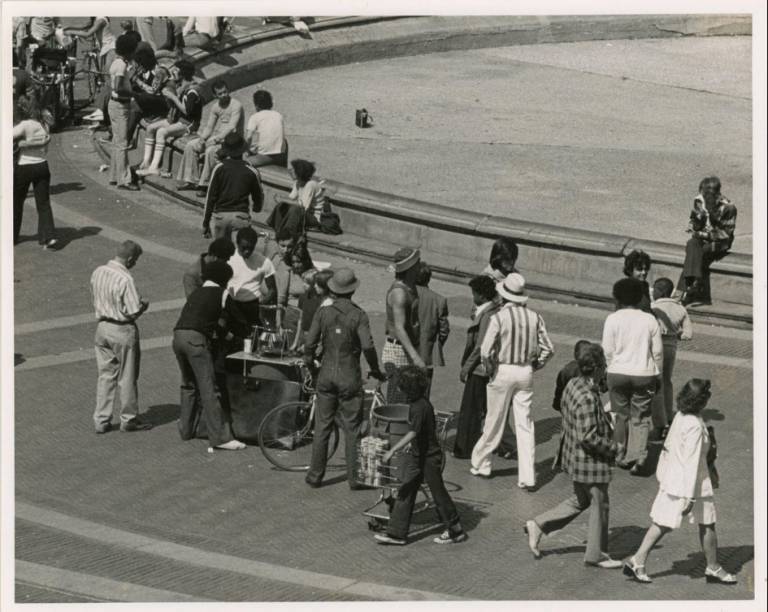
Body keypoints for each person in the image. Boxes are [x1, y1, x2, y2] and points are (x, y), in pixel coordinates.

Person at [623, 379, 737, 585]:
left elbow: (668, 448)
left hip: (675, 479)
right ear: (700, 401)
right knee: (702, 523)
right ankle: (711, 567)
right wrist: (689, 496)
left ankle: (639, 559)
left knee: (666, 521)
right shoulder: (693, 424)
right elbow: (691, 461)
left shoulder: (680, 416)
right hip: (691, 483)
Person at [525, 344, 624, 568]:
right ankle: (596, 554)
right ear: (598, 368)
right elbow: (588, 437)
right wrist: (614, 448)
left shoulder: (573, 385)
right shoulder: (588, 396)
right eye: (604, 366)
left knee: (581, 500)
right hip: (588, 462)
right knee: (600, 503)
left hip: (572, 457)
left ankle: (539, 524)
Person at [303, 268, 385, 488]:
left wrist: (310, 364)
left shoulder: (323, 313)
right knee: (352, 428)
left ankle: (315, 475)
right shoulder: (359, 315)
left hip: (326, 374)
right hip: (349, 376)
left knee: (322, 427)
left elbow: (309, 344)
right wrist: (375, 369)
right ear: (352, 291)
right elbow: (367, 345)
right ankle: (354, 478)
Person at [471, 273, 554, 487]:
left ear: (503, 295)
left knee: (494, 419)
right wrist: (535, 365)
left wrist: (491, 369)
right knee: (524, 423)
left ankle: (482, 463)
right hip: (525, 372)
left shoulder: (499, 317)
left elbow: (486, 350)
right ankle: (527, 476)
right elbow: (548, 348)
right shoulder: (534, 317)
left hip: (503, 370)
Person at [375, 365, 467, 545]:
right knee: (407, 489)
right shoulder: (421, 403)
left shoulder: (418, 407)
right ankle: (397, 533)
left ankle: (454, 528)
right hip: (421, 455)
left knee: (437, 493)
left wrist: (393, 450)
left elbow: (413, 432)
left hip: (428, 459)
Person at [173, 260, 246, 451]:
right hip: (196, 341)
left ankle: (186, 429)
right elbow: (238, 318)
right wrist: (237, 336)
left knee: (188, 385)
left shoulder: (197, 292)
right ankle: (221, 438)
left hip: (178, 337)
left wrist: (222, 332)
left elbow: (206, 319)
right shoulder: (222, 293)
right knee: (209, 389)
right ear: (223, 279)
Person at [90, 241, 152, 433]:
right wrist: (143, 305)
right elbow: (133, 311)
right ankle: (129, 418)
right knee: (127, 375)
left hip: (102, 328)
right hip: (122, 329)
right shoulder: (126, 278)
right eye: (135, 261)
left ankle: (101, 419)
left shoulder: (98, 271)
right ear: (131, 258)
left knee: (106, 374)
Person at [603, 277, 663, 476]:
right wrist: (658, 374)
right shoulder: (649, 319)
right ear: (640, 298)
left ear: (617, 298)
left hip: (617, 372)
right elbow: (658, 353)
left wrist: (613, 365)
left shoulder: (612, 319)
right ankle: (637, 456)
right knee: (641, 416)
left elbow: (607, 350)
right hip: (643, 374)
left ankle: (620, 452)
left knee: (620, 415)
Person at [453, 275, 499, 459]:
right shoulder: (489, 310)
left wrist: (466, 368)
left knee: (471, 410)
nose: (473, 297)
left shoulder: (488, 315)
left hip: (479, 369)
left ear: (482, 295)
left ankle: (465, 447)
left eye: (474, 294)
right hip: (483, 368)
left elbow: (480, 346)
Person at [136, 59, 203, 176]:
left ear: (183, 74)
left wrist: (172, 96)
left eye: (176, 72)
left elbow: (186, 111)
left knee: (161, 132)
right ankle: (146, 162)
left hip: (188, 124)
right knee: (150, 128)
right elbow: (174, 106)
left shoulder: (193, 90)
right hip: (177, 120)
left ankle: (154, 167)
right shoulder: (181, 85)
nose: (173, 74)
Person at [177, 80, 244, 197]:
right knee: (191, 145)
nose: (224, 95)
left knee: (210, 151)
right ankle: (191, 180)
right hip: (219, 138)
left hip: (233, 141)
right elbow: (209, 127)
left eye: (225, 92)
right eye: (220, 94)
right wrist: (202, 139)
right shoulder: (215, 107)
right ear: (215, 96)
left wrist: (216, 139)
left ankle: (205, 185)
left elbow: (232, 127)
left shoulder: (236, 105)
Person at [677, 177, 737, 306]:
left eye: (706, 196)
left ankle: (684, 291)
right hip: (701, 237)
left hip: (720, 242)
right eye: (702, 194)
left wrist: (703, 234)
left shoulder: (728, 208)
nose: (703, 198)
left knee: (699, 251)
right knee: (691, 244)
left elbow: (725, 234)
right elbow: (694, 220)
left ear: (716, 195)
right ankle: (691, 286)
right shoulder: (699, 201)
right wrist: (694, 223)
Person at [13, 95, 58, 248]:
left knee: (16, 202)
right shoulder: (44, 125)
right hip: (42, 165)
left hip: (24, 165)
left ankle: (12, 235)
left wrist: (21, 143)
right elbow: (45, 144)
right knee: (44, 203)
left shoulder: (25, 125)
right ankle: (48, 236)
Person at [649, 277, 693, 435]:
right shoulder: (681, 309)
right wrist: (677, 334)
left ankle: (658, 420)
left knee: (655, 382)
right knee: (667, 381)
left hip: (655, 345)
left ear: (660, 291)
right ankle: (668, 414)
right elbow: (688, 334)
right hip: (671, 347)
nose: (652, 293)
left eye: (654, 290)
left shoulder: (653, 307)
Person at [201, 133, 264, 241]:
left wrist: (205, 222)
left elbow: (210, 197)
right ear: (243, 149)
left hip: (221, 216)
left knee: (220, 253)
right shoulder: (251, 171)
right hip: (241, 217)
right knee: (238, 255)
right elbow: (259, 195)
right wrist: (257, 207)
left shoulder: (219, 168)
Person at [382, 248, 424, 403]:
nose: (420, 267)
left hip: (407, 347)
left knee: (407, 398)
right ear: (410, 268)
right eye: (417, 264)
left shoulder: (410, 287)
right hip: (399, 351)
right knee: (397, 400)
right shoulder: (399, 293)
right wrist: (415, 356)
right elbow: (399, 328)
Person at [225, 227, 277, 339]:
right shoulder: (228, 258)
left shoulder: (264, 262)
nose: (247, 251)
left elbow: (272, 289)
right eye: (243, 248)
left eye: (251, 248)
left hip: (252, 307)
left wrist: (262, 303)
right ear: (237, 244)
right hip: (232, 306)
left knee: (251, 341)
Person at [107, 34, 140, 191]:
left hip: (113, 104)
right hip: (121, 105)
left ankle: (114, 175)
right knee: (122, 144)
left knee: (116, 141)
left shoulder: (116, 62)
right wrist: (133, 93)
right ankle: (124, 180)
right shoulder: (121, 66)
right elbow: (119, 87)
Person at [415, 262, 450, 399]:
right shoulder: (439, 300)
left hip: (404, 352)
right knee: (424, 393)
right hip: (427, 353)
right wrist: (435, 344)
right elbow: (444, 330)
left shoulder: (405, 294)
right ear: (428, 278)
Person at [275, 159, 329, 230]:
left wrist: (283, 199)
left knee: (295, 209)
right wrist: (281, 198)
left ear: (299, 172)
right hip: (302, 214)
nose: (290, 171)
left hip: (313, 218)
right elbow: (291, 198)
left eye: (293, 170)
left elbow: (303, 206)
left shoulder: (311, 185)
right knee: (281, 205)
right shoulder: (298, 183)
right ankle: (277, 229)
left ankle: (288, 233)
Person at [245, 89, 287, 168]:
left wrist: (247, 151)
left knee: (241, 162)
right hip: (281, 155)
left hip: (266, 156)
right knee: (285, 142)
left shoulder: (255, 117)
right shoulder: (278, 115)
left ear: (256, 105)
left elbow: (249, 137)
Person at [552, 340, 593, 412]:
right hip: (587, 406)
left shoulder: (565, 370)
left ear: (575, 354)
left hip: (569, 406)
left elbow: (559, 390)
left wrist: (557, 404)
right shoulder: (592, 370)